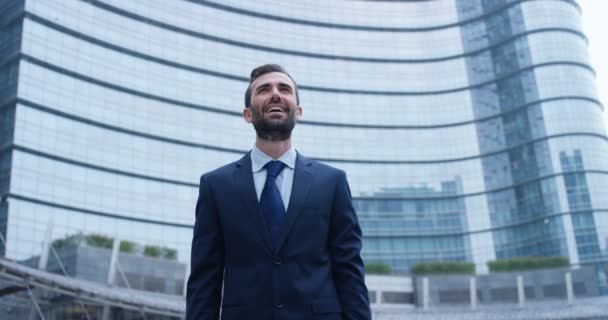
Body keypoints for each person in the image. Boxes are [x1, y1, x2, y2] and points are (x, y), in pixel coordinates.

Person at [186, 64, 371, 320]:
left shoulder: (332, 182)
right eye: (264, 89)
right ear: (248, 114)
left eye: (284, 89)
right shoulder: (215, 185)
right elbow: (204, 280)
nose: (275, 94)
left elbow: (349, 270)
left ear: (299, 111)